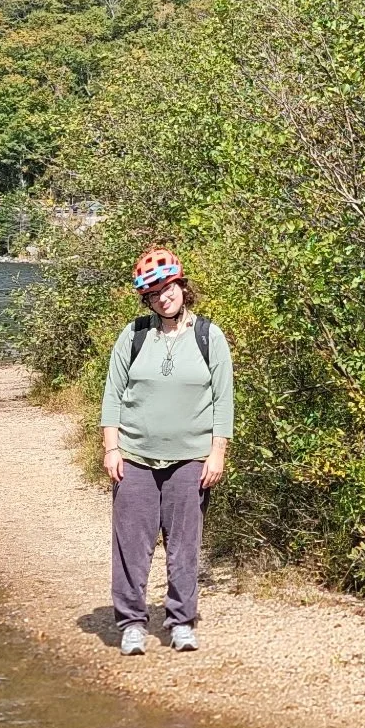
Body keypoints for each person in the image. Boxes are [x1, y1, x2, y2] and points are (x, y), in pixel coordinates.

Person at [100, 246, 234, 655]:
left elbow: (223, 400)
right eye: (154, 293)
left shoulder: (209, 336)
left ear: (182, 286)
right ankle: (131, 623)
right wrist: (111, 448)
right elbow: (113, 394)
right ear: (147, 299)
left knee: (184, 546)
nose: (163, 297)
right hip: (135, 456)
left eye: (168, 287)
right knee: (131, 545)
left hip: (191, 459)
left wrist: (217, 453)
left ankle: (181, 622)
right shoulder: (134, 336)